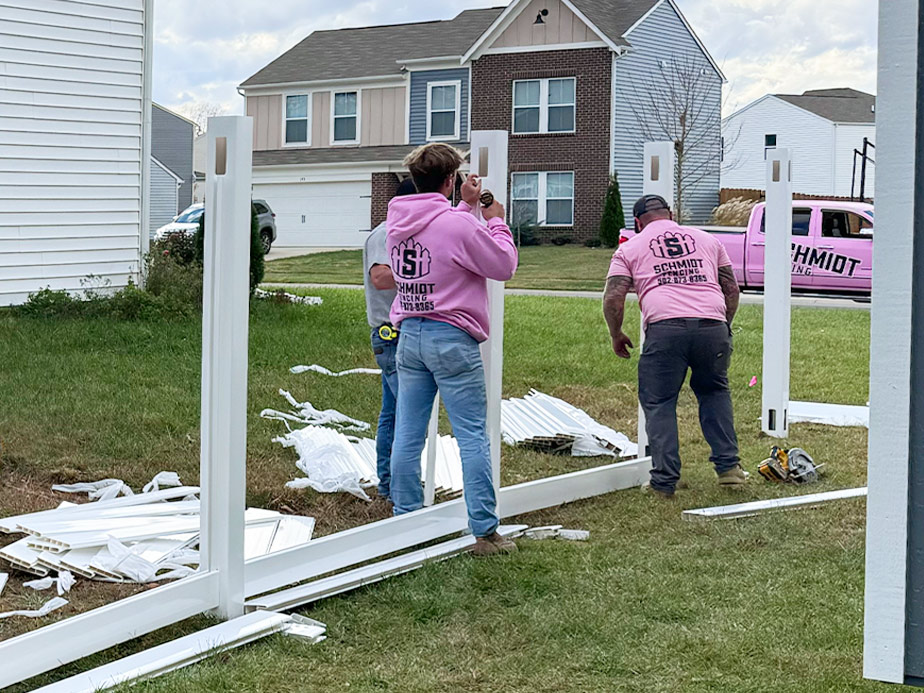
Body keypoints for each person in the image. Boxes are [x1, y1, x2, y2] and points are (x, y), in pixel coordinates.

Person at [386, 142, 518, 556]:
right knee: (471, 435)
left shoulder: (397, 222)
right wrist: (495, 222)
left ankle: (405, 520)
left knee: (407, 435)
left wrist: (465, 208)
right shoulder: (456, 225)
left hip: (410, 334)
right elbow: (503, 265)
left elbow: (440, 235)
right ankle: (484, 530)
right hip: (451, 338)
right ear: (449, 180)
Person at [602, 195, 746, 499]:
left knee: (659, 401)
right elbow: (731, 289)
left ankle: (665, 480)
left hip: (665, 329)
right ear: (672, 214)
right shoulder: (708, 240)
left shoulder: (629, 248)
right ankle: (729, 470)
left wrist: (616, 333)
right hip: (712, 326)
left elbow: (614, 296)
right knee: (714, 391)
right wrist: (724, 325)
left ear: (637, 223)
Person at [363, 178, 418, 501]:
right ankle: (398, 488)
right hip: (390, 334)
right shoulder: (385, 234)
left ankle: (387, 484)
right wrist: (423, 272)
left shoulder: (400, 234)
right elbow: (381, 277)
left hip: (400, 332)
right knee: (406, 416)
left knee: (393, 412)